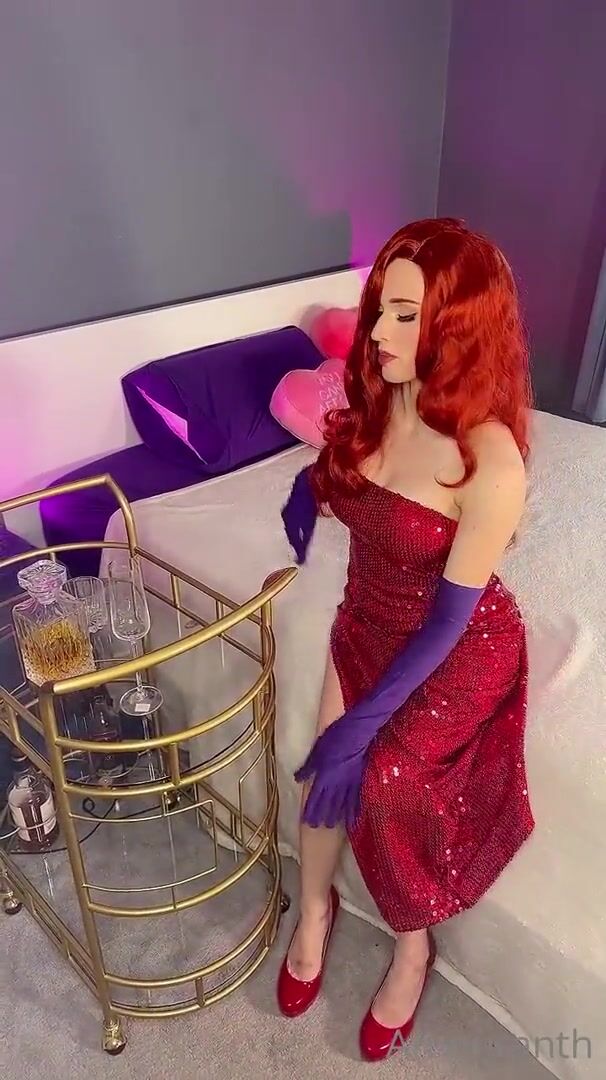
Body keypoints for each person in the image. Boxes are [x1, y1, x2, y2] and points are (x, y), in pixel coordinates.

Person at [276, 218, 535, 1062]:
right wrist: (309, 487)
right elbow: (354, 477)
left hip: (455, 648)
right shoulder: (385, 395)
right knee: (320, 770)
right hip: (366, 620)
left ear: (456, 327)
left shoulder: (491, 460)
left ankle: (413, 947)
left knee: (382, 780)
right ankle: (314, 912)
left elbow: (450, 621)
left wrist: (364, 724)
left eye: (404, 316)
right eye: (379, 309)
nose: (378, 333)